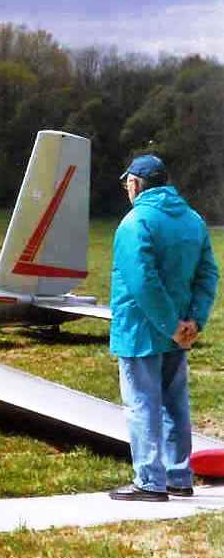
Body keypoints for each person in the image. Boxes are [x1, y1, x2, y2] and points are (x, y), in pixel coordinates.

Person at [108, 154, 218, 502]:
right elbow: (207, 275)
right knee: (175, 404)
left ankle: (149, 481)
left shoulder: (134, 222)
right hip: (180, 333)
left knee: (142, 404)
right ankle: (178, 477)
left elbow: (143, 282)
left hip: (141, 331)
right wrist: (193, 323)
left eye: (128, 183)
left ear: (136, 184)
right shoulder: (194, 220)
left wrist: (170, 325)